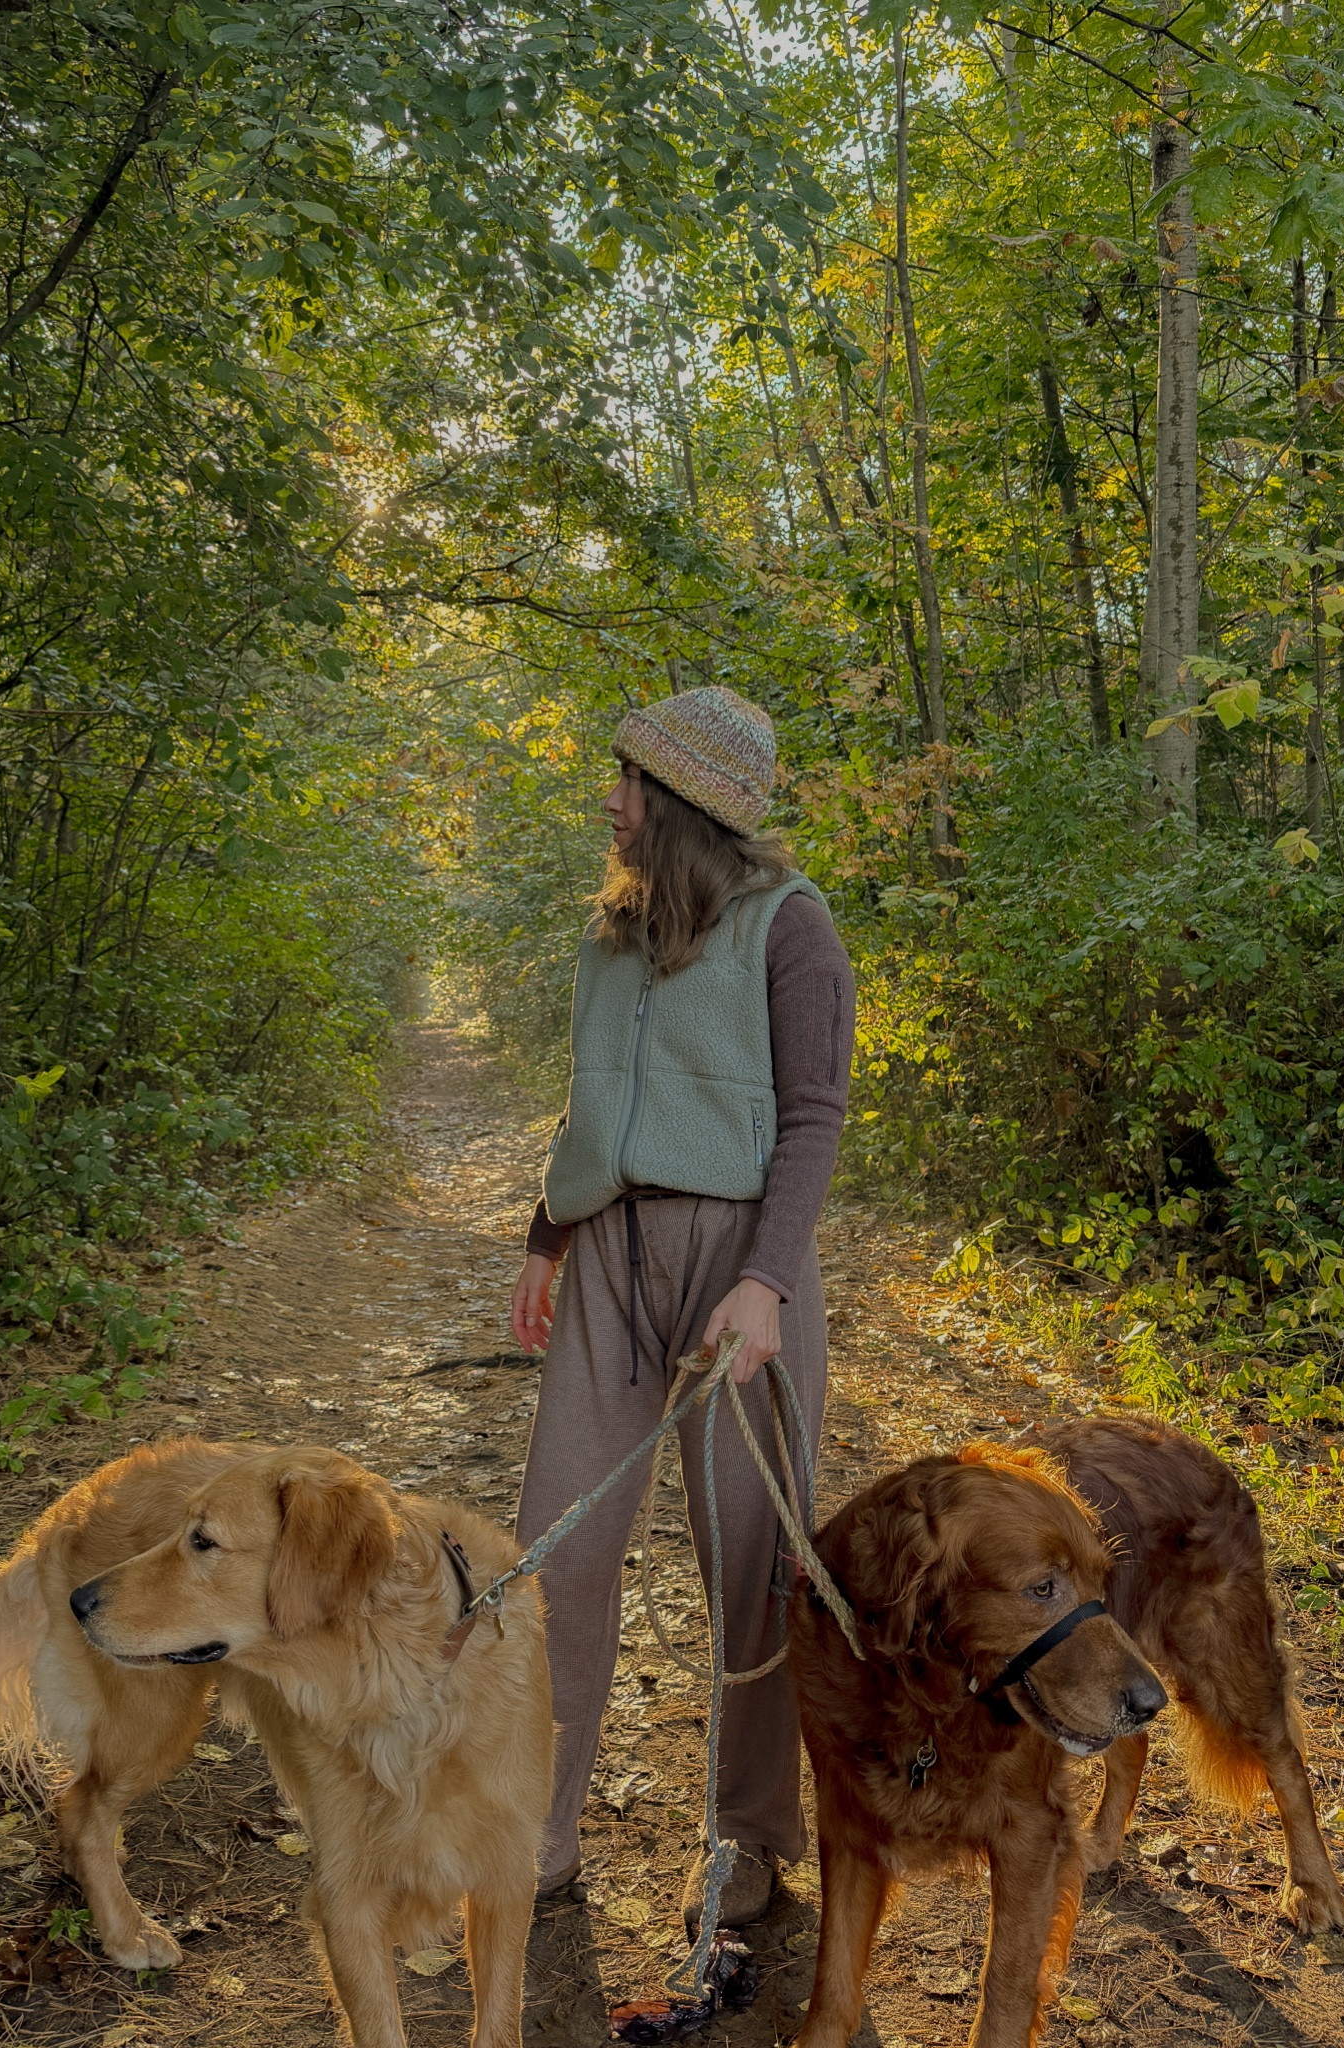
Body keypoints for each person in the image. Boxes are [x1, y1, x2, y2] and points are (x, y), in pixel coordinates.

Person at [509, 684, 855, 1935]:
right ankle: (532, 1838)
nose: (610, 801)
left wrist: (764, 1280)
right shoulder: (610, 935)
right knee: (552, 1549)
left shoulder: (791, 927)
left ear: (688, 802)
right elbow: (589, 1095)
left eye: (629, 783)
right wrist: (549, 1233)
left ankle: (751, 1836)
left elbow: (813, 1115)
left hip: (738, 1266)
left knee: (753, 1564)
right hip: (608, 1249)